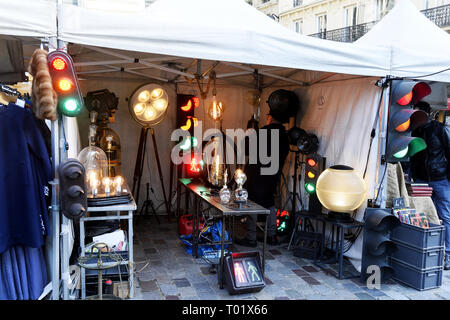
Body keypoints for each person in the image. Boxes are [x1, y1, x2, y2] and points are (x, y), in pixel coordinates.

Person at [234, 110, 290, 247]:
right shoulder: (285, 136)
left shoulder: (264, 132)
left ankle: (251, 238)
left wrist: (248, 134)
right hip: (273, 176)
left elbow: (247, 150)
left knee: (252, 203)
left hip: (257, 175)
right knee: (269, 202)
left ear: (270, 117)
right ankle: (271, 236)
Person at [410, 101, 450, 270]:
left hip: (440, 179)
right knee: (423, 216)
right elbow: (413, 156)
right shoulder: (415, 131)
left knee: (445, 216)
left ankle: (447, 254)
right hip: (421, 180)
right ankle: (426, 251)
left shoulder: (440, 129)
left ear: (425, 114)